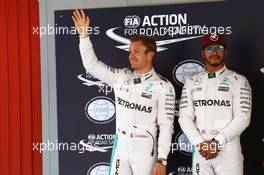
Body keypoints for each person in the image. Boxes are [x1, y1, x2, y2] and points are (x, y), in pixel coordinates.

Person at [72, 9, 176, 175]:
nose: (130, 56)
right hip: (121, 146)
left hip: (145, 151)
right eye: (130, 51)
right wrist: (83, 36)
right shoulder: (120, 76)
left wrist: (162, 159)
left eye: (136, 51)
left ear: (150, 55)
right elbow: (91, 66)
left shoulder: (163, 86)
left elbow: (166, 125)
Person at [178, 33, 252, 175]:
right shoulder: (192, 81)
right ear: (203, 53)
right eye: (209, 49)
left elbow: (243, 118)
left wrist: (217, 143)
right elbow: (184, 117)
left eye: (218, 48)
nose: (214, 53)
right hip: (201, 149)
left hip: (228, 149)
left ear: (225, 52)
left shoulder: (238, 80)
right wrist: (199, 143)